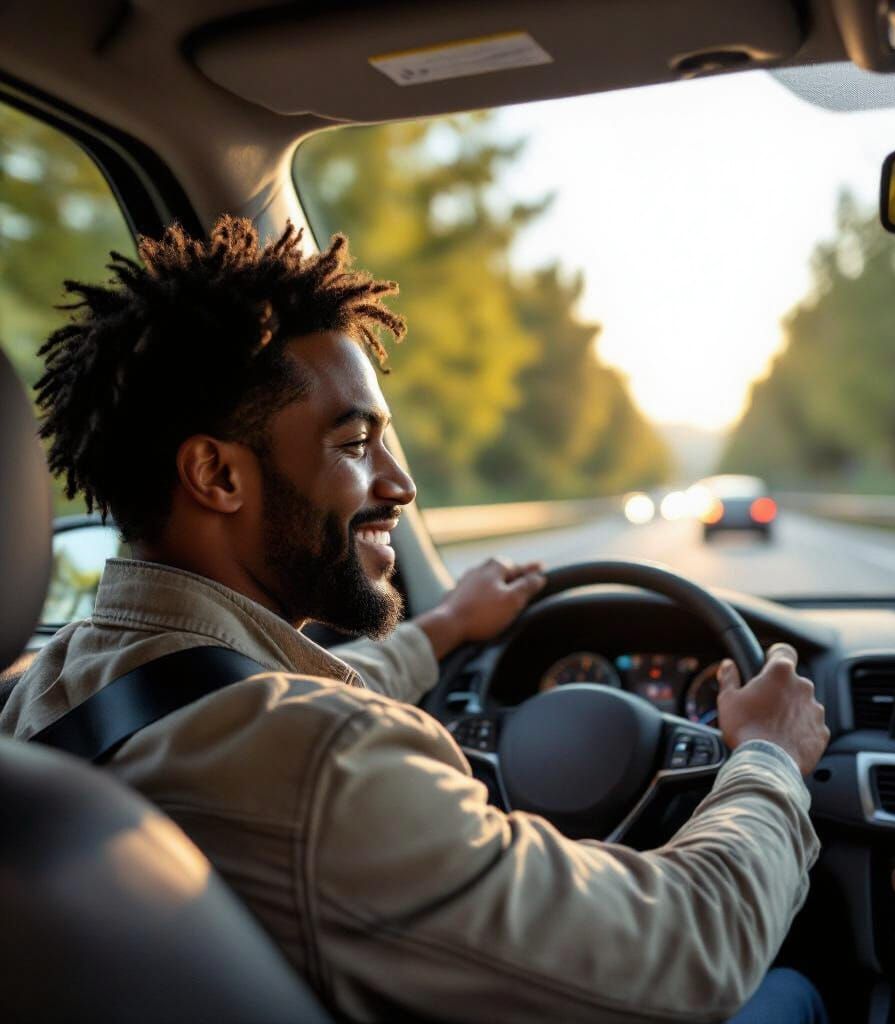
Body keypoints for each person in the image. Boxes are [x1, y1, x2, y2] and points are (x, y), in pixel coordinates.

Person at [1, 216, 829, 1023]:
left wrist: (445, 627)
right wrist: (768, 760)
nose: (400, 484)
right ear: (217, 475)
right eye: (356, 442)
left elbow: (265, 691)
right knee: (792, 993)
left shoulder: (47, 693)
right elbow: (683, 952)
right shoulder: (331, 763)